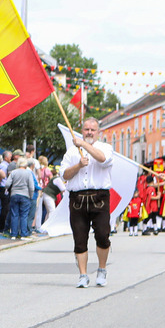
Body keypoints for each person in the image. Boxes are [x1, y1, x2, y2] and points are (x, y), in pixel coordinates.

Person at [60, 117, 113, 288]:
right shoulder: (71, 152)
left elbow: (103, 159)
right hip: (78, 198)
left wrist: (83, 145)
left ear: (98, 132)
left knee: (103, 236)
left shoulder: (105, 147)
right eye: (86, 129)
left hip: (99, 197)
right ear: (81, 130)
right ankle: (83, 275)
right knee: (79, 238)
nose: (89, 132)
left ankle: (102, 269)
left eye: (92, 130)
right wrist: (78, 166)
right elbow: (64, 175)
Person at [2, 158, 36, 240]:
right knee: (24, 215)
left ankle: (13, 234)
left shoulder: (13, 172)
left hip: (14, 195)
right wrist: (31, 196)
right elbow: (31, 187)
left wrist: (9, 190)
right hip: (25, 195)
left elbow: (7, 184)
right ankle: (23, 234)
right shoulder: (28, 173)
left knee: (14, 214)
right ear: (26, 165)